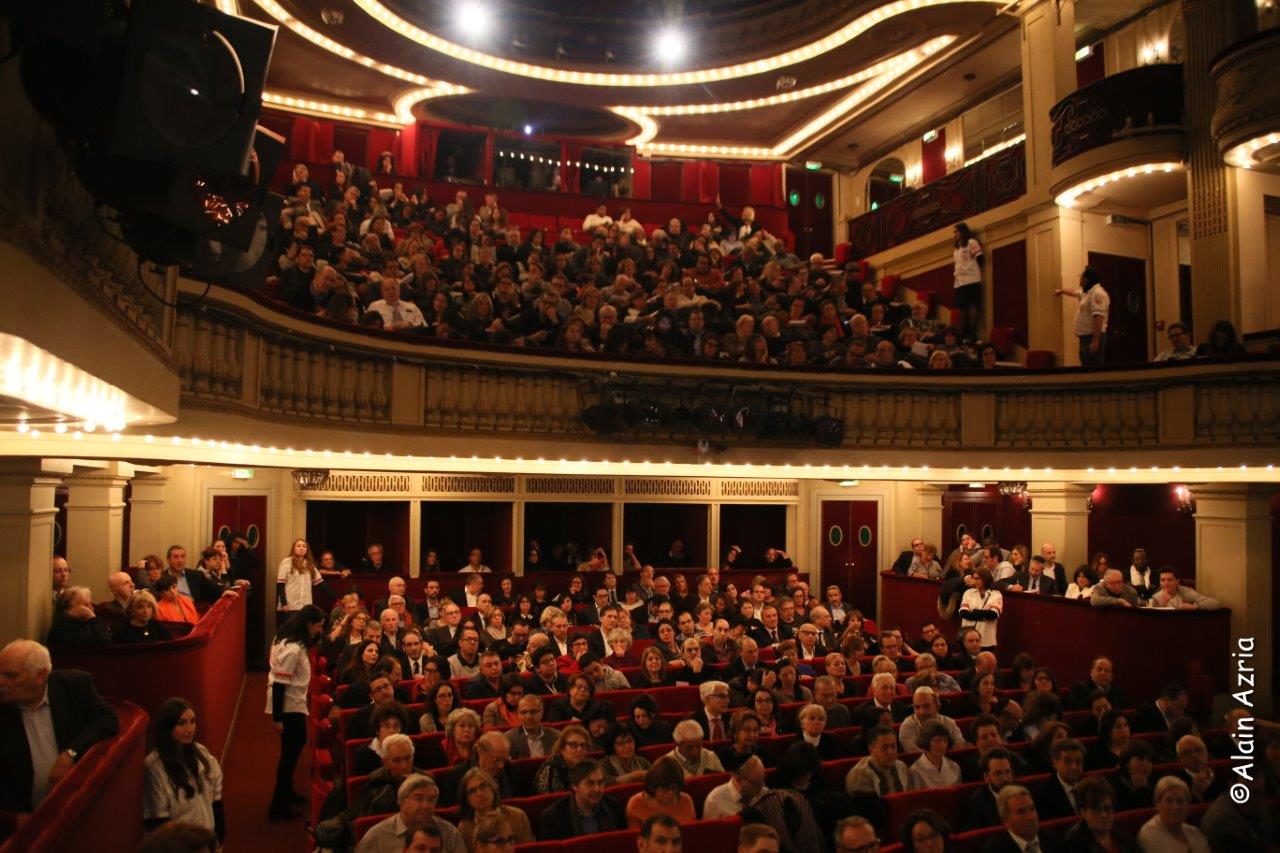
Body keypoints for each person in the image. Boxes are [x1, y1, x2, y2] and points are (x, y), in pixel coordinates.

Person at [0, 639, 119, 813]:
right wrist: (13, 817)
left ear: (40, 676)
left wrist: (69, 753)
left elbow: (107, 719)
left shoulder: (73, 686)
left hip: (76, 807)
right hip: (23, 818)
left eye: (10, 675)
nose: (1, 682)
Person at [265, 604, 324, 821]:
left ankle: (286, 791)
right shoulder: (291, 648)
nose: (320, 630)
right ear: (308, 624)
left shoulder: (288, 637)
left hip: (293, 703)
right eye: (318, 626)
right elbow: (281, 684)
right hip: (288, 707)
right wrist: (277, 719)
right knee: (291, 753)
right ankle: (277, 805)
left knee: (290, 750)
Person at [143, 698, 224, 843]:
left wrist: (218, 839)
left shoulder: (202, 753)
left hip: (207, 840)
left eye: (192, 721)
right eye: (182, 723)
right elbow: (158, 820)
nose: (190, 729)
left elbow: (216, 801)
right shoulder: (154, 766)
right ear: (167, 727)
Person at [356, 774, 465, 853]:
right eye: (419, 798)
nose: (426, 805)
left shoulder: (449, 833)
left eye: (431, 800)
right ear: (401, 801)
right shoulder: (377, 836)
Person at [536, 759, 627, 840]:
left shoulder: (614, 807)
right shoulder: (553, 817)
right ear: (574, 785)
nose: (597, 789)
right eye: (590, 783)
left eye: (600, 783)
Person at [455, 767, 534, 850]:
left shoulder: (517, 816)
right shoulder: (464, 828)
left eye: (483, 786)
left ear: (492, 787)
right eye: (472, 791)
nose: (479, 793)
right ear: (466, 799)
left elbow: (530, 850)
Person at [1062, 776, 1139, 852]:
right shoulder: (1074, 844)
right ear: (1082, 811)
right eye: (1096, 809)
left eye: (1107, 808)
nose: (1104, 815)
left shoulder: (1124, 838)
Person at [1136, 776, 1210, 853]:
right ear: (1157, 804)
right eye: (1169, 801)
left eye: (1180, 801)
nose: (1175, 807)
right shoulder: (1149, 834)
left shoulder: (1193, 832)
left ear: (1188, 807)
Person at [1055, 266, 1110, 367]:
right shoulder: (1087, 292)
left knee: (1094, 369)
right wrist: (1062, 291)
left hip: (1092, 337)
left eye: (1081, 275)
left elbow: (1098, 318)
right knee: (1086, 368)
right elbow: (1073, 292)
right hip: (1085, 338)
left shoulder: (1097, 294)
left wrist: (1095, 341)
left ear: (1086, 278)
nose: (1079, 277)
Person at [985, 785, 1066, 852]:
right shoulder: (994, 850)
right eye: (1021, 812)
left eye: (1032, 809)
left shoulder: (1051, 840)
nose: (1031, 817)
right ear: (1005, 819)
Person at [626, 756, 695, 828]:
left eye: (674, 787)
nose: (670, 793)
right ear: (653, 786)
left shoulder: (686, 801)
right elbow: (636, 838)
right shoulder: (636, 804)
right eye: (665, 788)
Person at [961, 747, 1017, 830]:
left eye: (1008, 772)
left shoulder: (1023, 793)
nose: (1005, 778)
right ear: (986, 777)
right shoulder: (975, 803)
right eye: (998, 773)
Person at [846, 724, 911, 796]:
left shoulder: (902, 767)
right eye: (884, 748)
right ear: (871, 750)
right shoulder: (860, 775)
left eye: (893, 746)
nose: (890, 752)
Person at [1034, 738, 1086, 821]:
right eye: (1068, 762)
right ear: (1055, 763)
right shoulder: (1043, 794)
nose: (1074, 767)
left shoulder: (1091, 787)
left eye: (1078, 762)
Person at [534, 724, 593, 793]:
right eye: (573, 745)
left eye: (583, 745)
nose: (579, 749)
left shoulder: (588, 766)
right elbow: (555, 801)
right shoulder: (551, 769)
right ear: (562, 748)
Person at [46, 586, 112, 646]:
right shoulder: (63, 629)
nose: (91, 608)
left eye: (90, 604)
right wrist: (91, 617)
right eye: (86, 605)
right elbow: (104, 640)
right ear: (70, 609)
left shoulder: (84, 623)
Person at [952, 222, 983, 341]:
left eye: (957, 232)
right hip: (960, 281)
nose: (955, 235)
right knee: (961, 307)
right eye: (954, 233)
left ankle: (972, 332)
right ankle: (962, 333)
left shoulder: (971, 242)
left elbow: (980, 258)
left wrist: (972, 271)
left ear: (963, 231)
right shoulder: (957, 247)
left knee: (972, 305)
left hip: (972, 279)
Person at [909, 720, 963, 789]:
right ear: (926, 742)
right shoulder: (915, 771)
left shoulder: (955, 767)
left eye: (945, 740)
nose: (942, 745)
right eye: (937, 740)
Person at [959, 566, 1002, 651]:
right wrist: (983, 616)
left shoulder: (996, 595)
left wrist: (973, 612)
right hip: (968, 639)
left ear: (985, 579)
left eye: (977, 578)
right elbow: (964, 613)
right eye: (973, 578)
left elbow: (993, 615)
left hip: (986, 641)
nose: (974, 581)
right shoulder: (968, 593)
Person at [276, 538, 324, 612]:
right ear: (293, 548)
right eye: (298, 546)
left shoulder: (309, 564)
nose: (301, 548)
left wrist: (336, 599)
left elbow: (321, 583)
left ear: (307, 550)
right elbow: (280, 584)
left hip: (305, 606)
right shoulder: (287, 562)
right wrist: (283, 604)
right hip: (290, 606)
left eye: (304, 546)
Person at [506, 694, 557, 759]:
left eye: (533, 712)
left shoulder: (556, 736)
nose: (528, 717)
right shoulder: (508, 739)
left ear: (542, 713)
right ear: (518, 714)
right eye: (523, 712)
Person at [1148, 567, 1220, 610]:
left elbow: (1215, 604)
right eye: (1163, 580)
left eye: (1170, 580)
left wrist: (1195, 607)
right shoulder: (1156, 597)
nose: (1166, 583)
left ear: (1177, 581)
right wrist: (1162, 605)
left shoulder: (1187, 592)